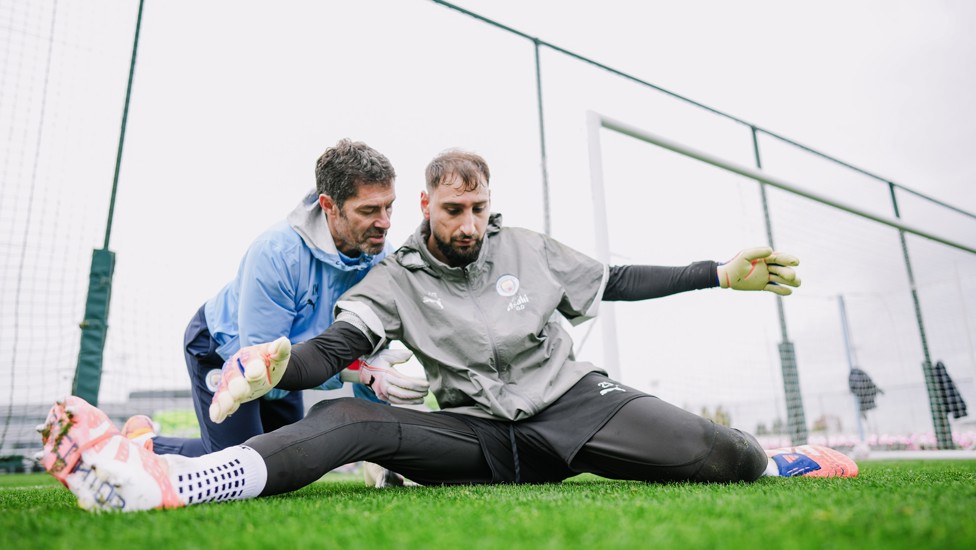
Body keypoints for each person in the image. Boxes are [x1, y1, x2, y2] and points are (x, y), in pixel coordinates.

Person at [39, 149, 857, 511]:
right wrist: (278, 365)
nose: (469, 221)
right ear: (429, 206)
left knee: (725, 458)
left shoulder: (527, 249)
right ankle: (168, 484)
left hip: (573, 404)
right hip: (478, 435)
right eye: (452, 207)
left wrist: (716, 271)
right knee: (346, 421)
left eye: (479, 206)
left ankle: (782, 461)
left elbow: (616, 280)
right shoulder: (390, 274)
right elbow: (338, 347)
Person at [116, 139, 428, 486]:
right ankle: (142, 444)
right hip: (226, 352)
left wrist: (380, 451)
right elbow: (261, 365)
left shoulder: (381, 254)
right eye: (369, 210)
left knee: (293, 464)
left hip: (291, 361)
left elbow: (366, 347)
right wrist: (355, 372)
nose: (384, 223)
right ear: (329, 206)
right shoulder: (276, 253)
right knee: (242, 468)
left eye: (389, 207)